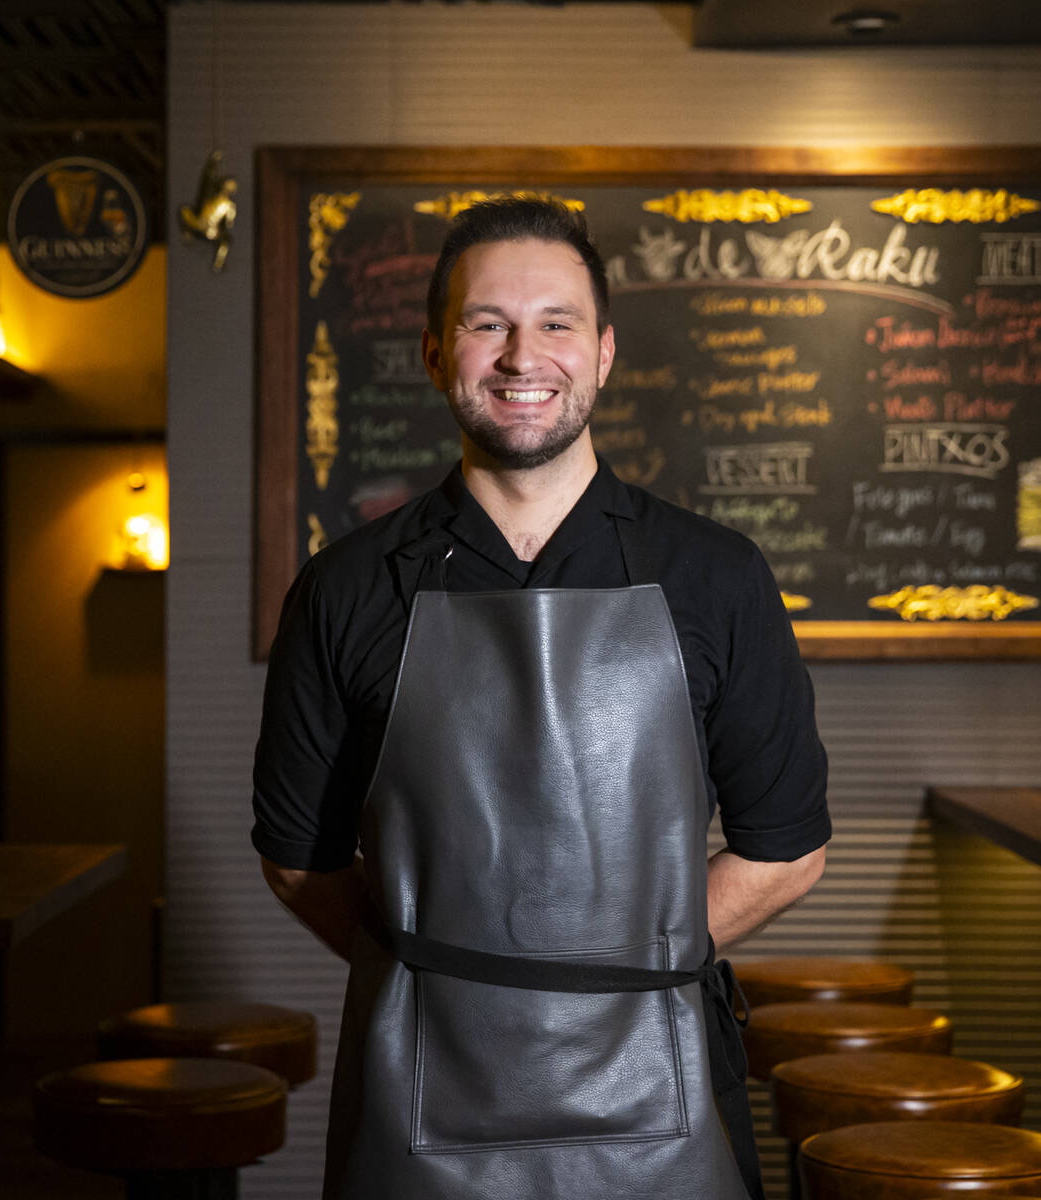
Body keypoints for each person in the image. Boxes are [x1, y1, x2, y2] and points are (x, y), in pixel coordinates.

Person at [253, 196, 830, 1200]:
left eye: (555, 323)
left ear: (603, 352)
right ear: (438, 352)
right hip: (422, 1092)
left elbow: (785, 848)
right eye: (488, 324)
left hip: (660, 1086)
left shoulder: (715, 574)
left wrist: (608, 969)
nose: (524, 357)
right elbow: (299, 859)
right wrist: (451, 980)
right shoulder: (344, 586)